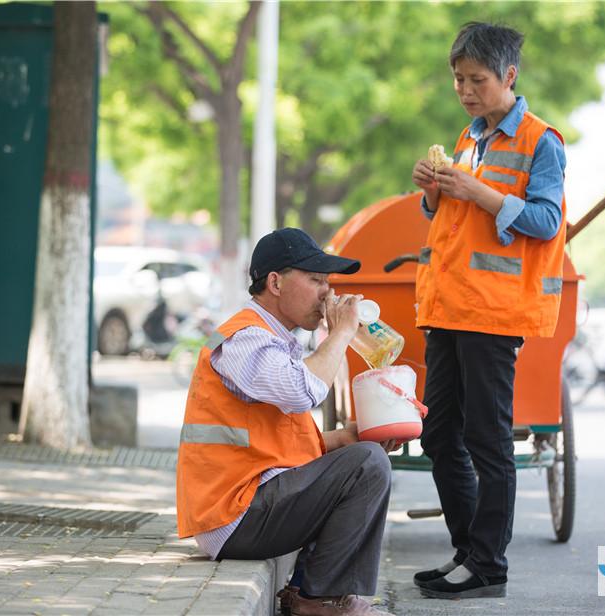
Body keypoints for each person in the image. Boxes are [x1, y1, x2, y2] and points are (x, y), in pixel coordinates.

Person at [410, 22, 567, 600]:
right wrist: (432, 191)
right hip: (449, 308)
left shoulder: (540, 141)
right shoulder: (467, 137)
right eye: (458, 79)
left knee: (487, 440)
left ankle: (488, 566)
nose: (466, 89)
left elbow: (547, 221)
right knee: (438, 434)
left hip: (494, 315)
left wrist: (477, 190)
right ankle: (467, 554)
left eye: (477, 79)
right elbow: (450, 222)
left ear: (509, 76)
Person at [176, 227, 398, 616]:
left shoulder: (274, 340)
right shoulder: (245, 337)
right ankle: (318, 600)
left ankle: (308, 591)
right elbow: (302, 391)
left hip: (247, 505)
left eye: (328, 282)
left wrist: (343, 439)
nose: (327, 293)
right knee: (368, 464)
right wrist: (342, 332)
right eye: (315, 280)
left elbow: (277, 440)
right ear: (275, 283)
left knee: (363, 454)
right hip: (233, 515)